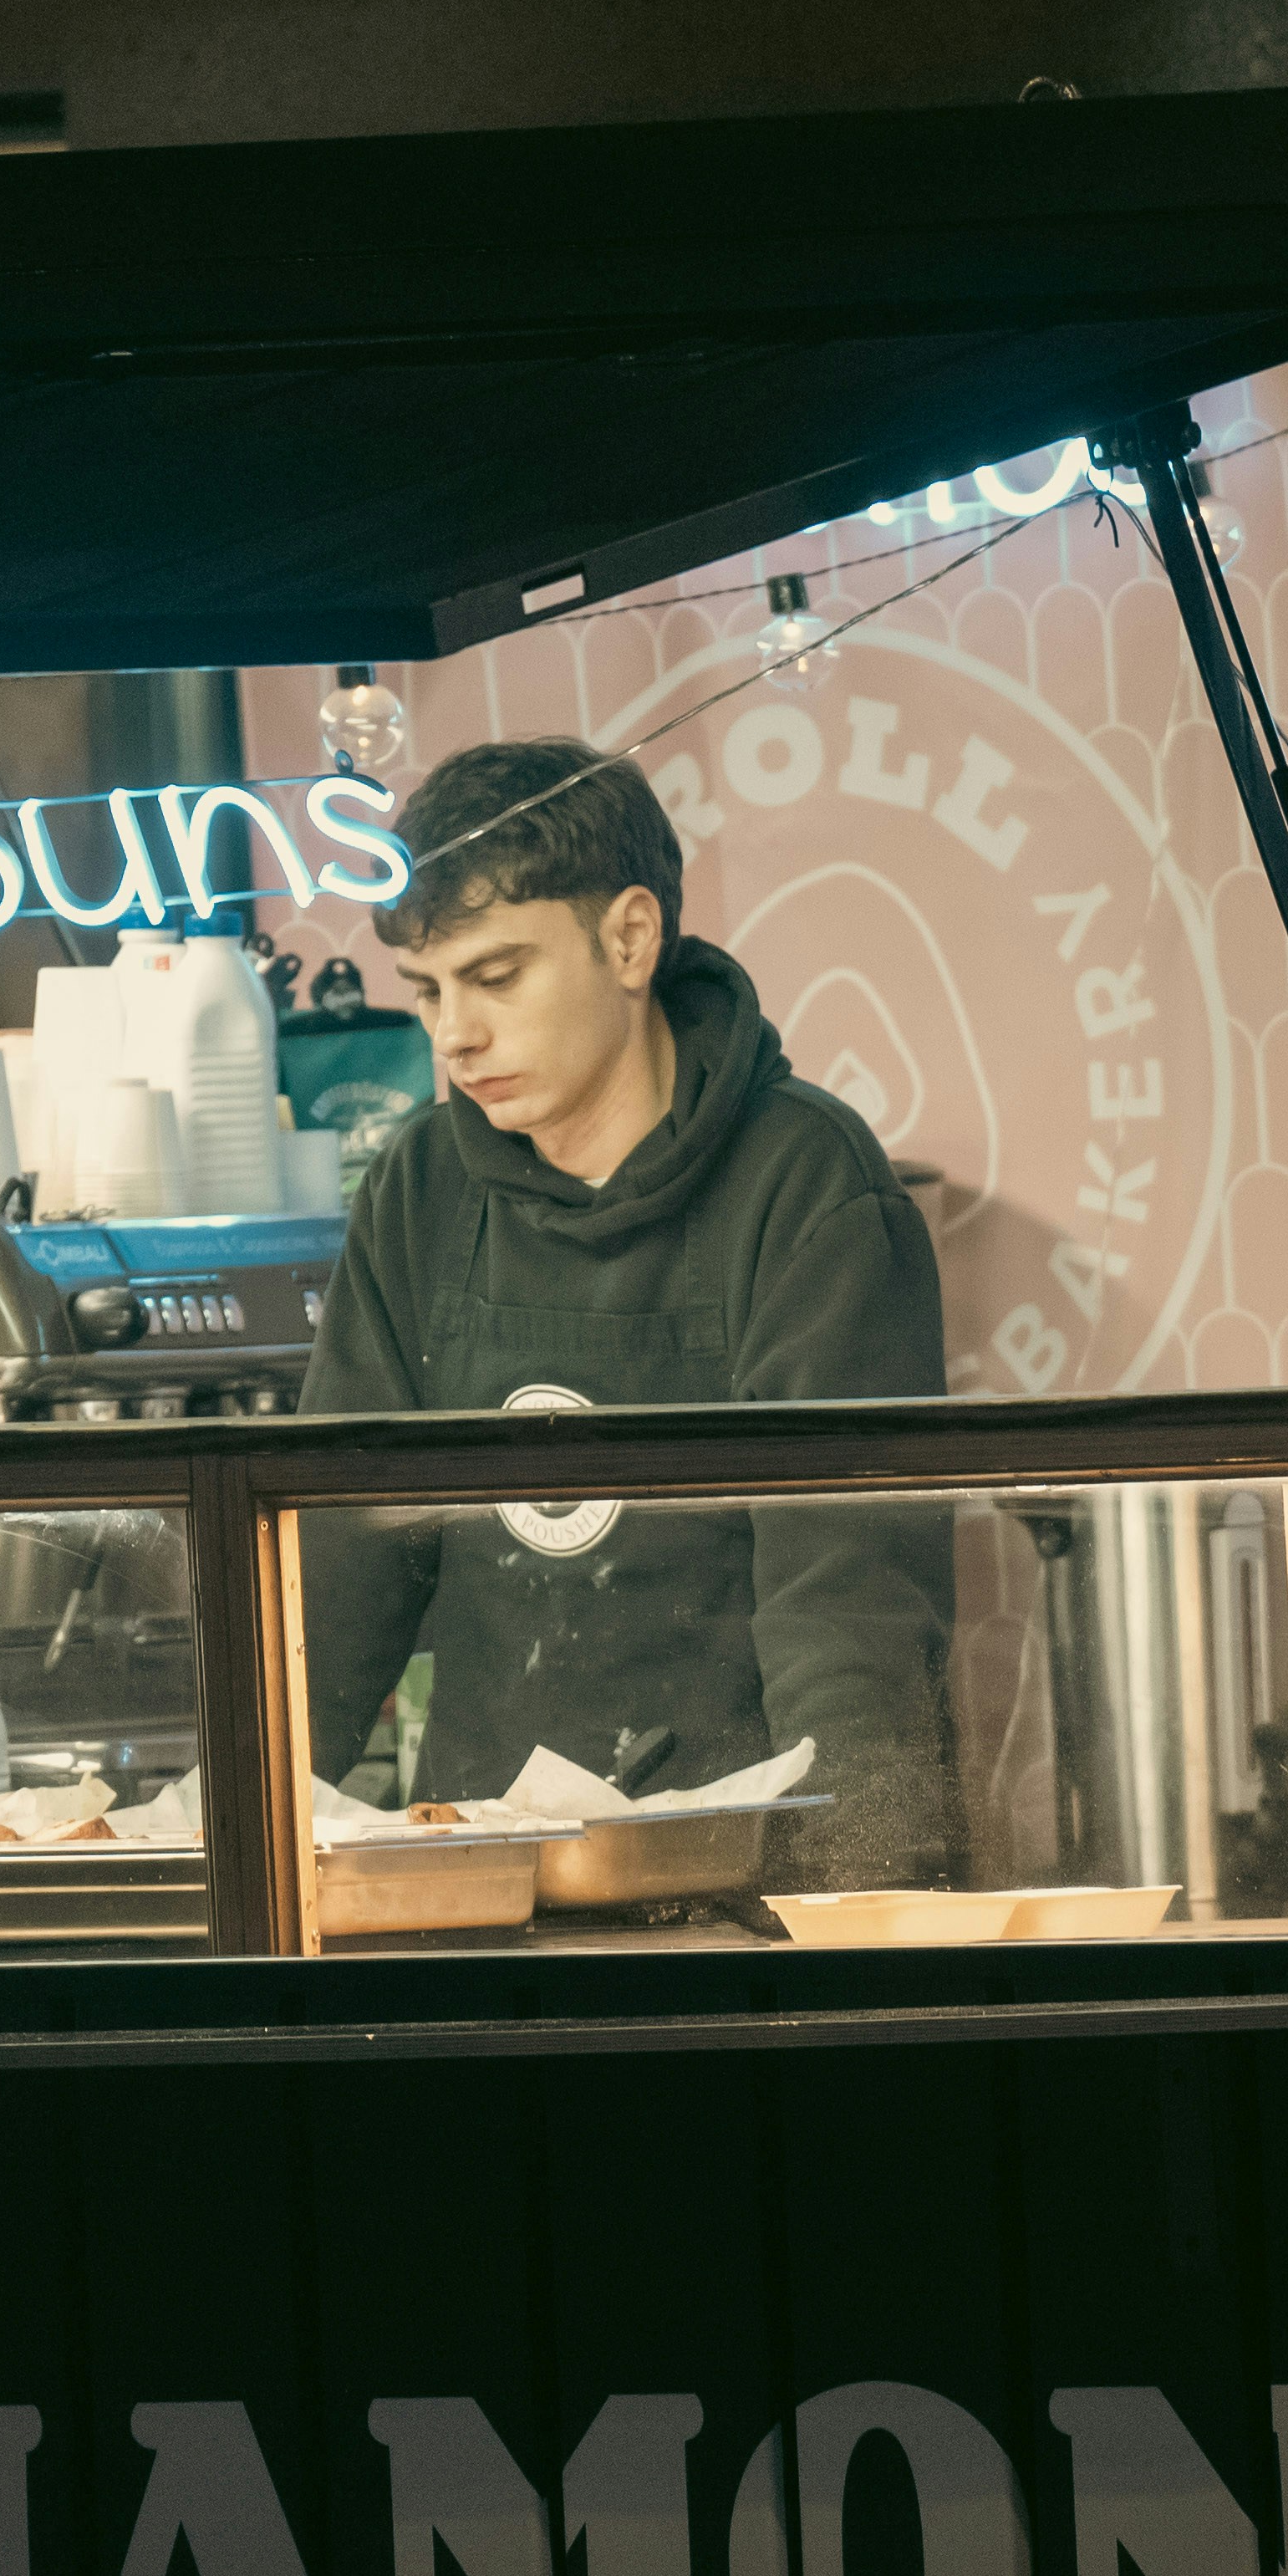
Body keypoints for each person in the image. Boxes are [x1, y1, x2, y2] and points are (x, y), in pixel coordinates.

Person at [294, 733, 957, 1862]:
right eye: (430, 991)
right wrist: (226, 1856)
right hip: (488, 1881)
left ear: (632, 939)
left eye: (497, 978)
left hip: (755, 1881)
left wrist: (857, 1913)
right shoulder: (422, 1187)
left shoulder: (807, 1187)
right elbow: (336, 1575)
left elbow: (848, 1610)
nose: (454, 1035)